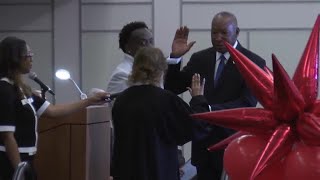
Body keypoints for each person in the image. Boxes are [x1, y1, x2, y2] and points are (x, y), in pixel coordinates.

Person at [165, 11, 266, 180]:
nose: (218, 37)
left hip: (233, 146)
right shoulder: (200, 59)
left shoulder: (253, 62)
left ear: (237, 32)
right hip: (203, 147)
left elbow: (247, 103)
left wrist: (208, 109)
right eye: (214, 32)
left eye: (224, 33)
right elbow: (172, 87)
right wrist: (175, 58)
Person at [0, 36, 109, 180]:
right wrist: (18, 172)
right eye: (28, 55)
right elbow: (7, 137)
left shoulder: (22, 88)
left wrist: (89, 101)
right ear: (14, 58)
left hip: (28, 161)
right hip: (11, 164)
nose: (31, 59)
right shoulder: (4, 89)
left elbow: (53, 111)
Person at [111, 47, 197, 180]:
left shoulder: (121, 99)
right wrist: (198, 100)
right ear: (162, 70)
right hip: (158, 170)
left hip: (127, 171)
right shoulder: (166, 99)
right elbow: (193, 129)